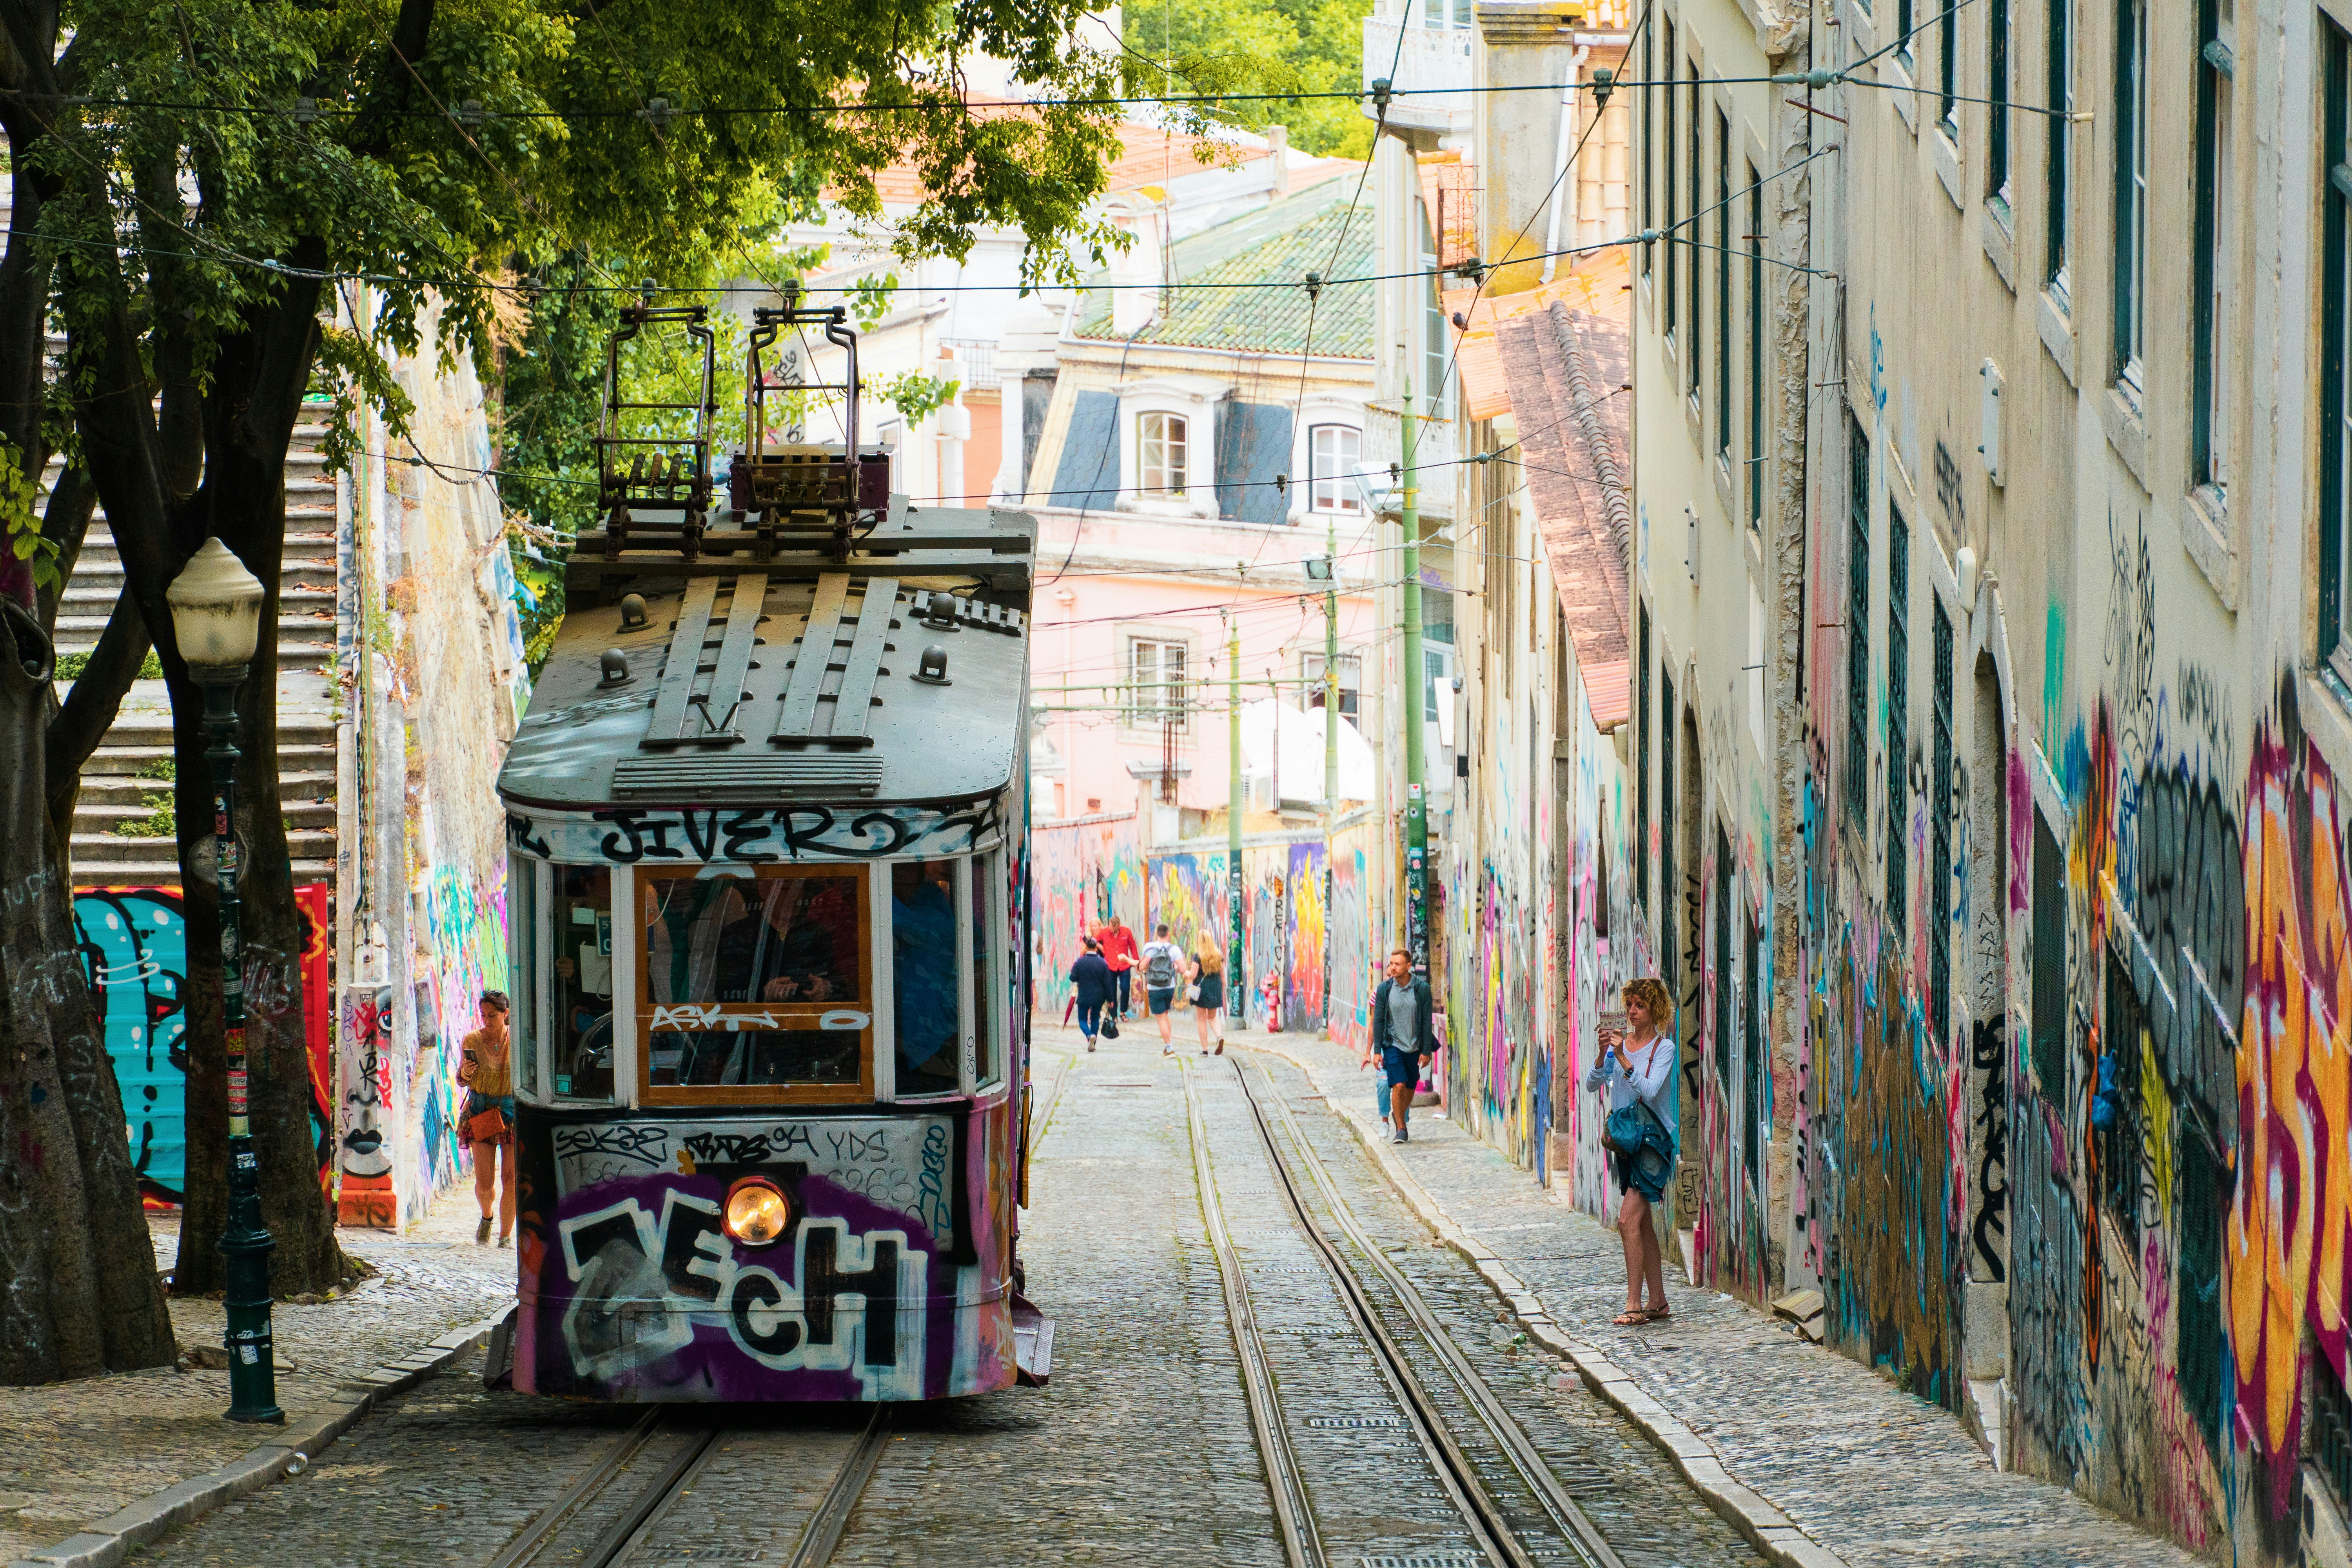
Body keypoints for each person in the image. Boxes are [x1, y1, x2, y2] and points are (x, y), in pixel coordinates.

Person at [1585, 976, 1678, 1326]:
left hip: (1653, 1145)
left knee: (1626, 1221)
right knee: (1644, 1225)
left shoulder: (1663, 1048)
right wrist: (1602, 1054)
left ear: (1654, 1009)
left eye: (1640, 1005)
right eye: (1629, 1005)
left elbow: (1652, 1091)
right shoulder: (1616, 1048)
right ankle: (1658, 1301)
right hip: (1627, 1143)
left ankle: (1634, 1305)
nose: (1632, 1011)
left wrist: (1624, 1058)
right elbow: (1594, 1085)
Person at [457, 991, 517, 1246]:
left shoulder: (518, 1040)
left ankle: (505, 1236)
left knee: (511, 1178)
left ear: (506, 1014)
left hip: (512, 1114)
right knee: (485, 1183)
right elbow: (462, 1081)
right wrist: (465, 1072)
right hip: (482, 1112)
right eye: (483, 1015)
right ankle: (487, 1216)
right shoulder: (473, 1039)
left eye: (492, 1015)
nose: (487, 1020)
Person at [1369, 949, 1436, 1143]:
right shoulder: (1385, 989)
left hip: (1414, 1047)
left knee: (1410, 1087)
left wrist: (1426, 1052)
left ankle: (1397, 1112)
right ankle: (1401, 1127)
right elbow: (1379, 1021)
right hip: (1393, 1045)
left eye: (1398, 964)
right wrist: (1377, 1052)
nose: (1393, 967)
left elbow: (1426, 1021)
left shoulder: (1422, 989)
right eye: (1391, 964)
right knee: (1398, 1084)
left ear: (1409, 966)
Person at [1138, 923, 1186, 1053]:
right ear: (1168, 934)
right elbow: (1183, 969)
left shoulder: (1150, 947)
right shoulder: (1175, 949)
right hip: (1169, 987)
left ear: (1157, 934)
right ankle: (1168, 1045)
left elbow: (1142, 966)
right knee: (1165, 1015)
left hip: (1154, 988)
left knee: (1160, 1019)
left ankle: (1170, 1048)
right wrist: (1174, 967)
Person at [1069, 936, 1114, 1052]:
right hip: (1099, 997)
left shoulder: (1080, 961)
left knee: (1082, 1020)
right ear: (1096, 948)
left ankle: (1090, 1036)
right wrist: (1110, 1000)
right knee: (1094, 1019)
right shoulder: (1103, 963)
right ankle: (1094, 1037)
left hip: (1084, 996)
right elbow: (1108, 983)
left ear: (1087, 947)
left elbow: (1072, 977)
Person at [1097, 913, 1139, 1020]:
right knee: (1111, 991)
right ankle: (1114, 1015)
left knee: (1125, 988)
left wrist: (1136, 962)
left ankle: (1122, 1012)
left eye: (1113, 929)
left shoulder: (1127, 931)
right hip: (1110, 965)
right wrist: (1099, 945)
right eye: (1110, 928)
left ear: (1118, 926)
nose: (1111, 930)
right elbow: (1090, 940)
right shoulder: (1103, 932)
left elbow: (1133, 947)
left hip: (1124, 966)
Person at [1189, 945, 1226, 1054]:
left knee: (1201, 1020)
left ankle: (1205, 1050)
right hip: (1215, 987)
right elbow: (1223, 976)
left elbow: (1193, 975)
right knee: (1213, 1017)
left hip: (1201, 990)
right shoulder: (1218, 955)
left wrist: (1185, 973)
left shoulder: (1198, 956)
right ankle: (1219, 1036)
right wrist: (1221, 990)